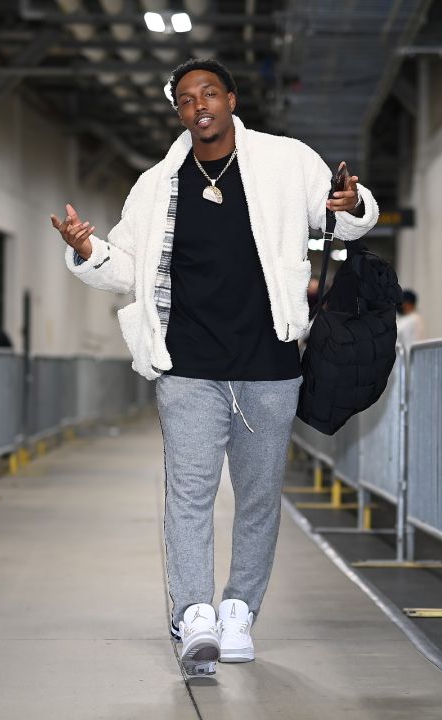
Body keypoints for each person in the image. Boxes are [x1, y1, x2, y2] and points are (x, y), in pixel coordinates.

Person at [50, 58, 378, 675]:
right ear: (179, 113)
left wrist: (353, 200)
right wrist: (87, 249)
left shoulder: (285, 161)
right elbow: (127, 269)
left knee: (257, 498)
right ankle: (195, 612)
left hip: (270, 363)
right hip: (189, 366)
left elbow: (343, 217)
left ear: (230, 98)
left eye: (208, 93)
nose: (197, 105)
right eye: (184, 100)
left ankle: (239, 613)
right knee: (188, 494)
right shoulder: (154, 186)